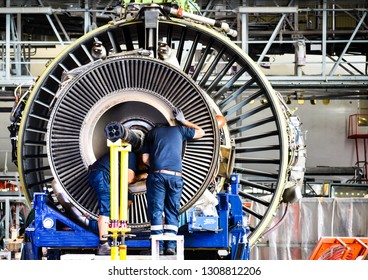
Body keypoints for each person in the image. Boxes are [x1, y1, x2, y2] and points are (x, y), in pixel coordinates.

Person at [142, 108, 205, 255]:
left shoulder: (150, 134)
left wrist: (158, 166)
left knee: (156, 210)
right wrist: (184, 121)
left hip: (158, 175)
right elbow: (201, 132)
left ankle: (156, 248)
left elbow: (144, 159)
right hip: (176, 177)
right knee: (172, 210)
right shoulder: (179, 130)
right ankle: (170, 246)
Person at [88, 151, 146, 255]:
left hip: (106, 176)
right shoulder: (131, 155)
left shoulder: (128, 158)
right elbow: (129, 179)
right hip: (102, 174)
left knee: (128, 197)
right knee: (106, 209)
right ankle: (103, 244)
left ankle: (118, 229)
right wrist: (141, 176)